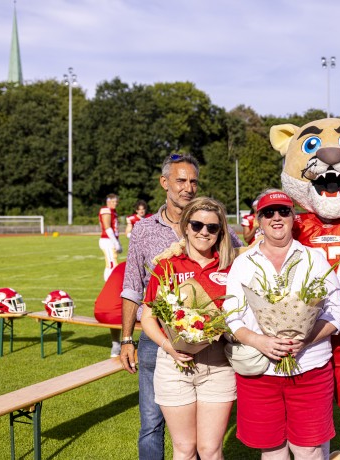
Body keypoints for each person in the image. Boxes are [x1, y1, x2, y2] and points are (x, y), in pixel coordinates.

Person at [119, 153, 243, 460]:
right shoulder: (150, 237)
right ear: (165, 183)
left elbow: (245, 262)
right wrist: (127, 338)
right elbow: (133, 286)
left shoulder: (227, 252)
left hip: (216, 357)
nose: (204, 231)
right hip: (162, 345)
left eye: (193, 181)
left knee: (208, 447)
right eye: (180, 180)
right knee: (154, 424)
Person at [223, 190, 340, 459]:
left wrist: (306, 339)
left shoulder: (314, 259)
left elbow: (338, 312)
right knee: (273, 452)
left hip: (310, 368)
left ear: (294, 218)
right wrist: (261, 342)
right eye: (268, 213)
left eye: (283, 211)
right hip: (260, 374)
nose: (276, 218)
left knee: (309, 450)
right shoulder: (244, 262)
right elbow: (231, 316)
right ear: (258, 220)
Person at [140, 197, 237, 460]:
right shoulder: (167, 265)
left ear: (220, 232)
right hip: (174, 364)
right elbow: (148, 316)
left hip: (217, 364)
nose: (204, 232)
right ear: (186, 227)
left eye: (212, 227)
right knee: (184, 449)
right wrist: (168, 345)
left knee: (210, 449)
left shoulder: (231, 266)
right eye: (197, 225)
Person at [95, 261, 126, 357]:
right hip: (115, 315)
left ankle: (116, 345)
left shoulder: (121, 266)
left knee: (117, 306)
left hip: (98, 311)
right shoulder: (135, 269)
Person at [99, 193, 122, 281]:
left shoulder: (113, 211)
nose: (115, 203)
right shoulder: (106, 210)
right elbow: (107, 227)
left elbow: (114, 229)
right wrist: (116, 243)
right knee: (111, 263)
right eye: (113, 201)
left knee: (113, 261)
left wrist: (118, 242)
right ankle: (109, 284)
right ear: (108, 201)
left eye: (116, 202)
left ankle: (111, 283)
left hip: (111, 240)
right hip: (107, 240)